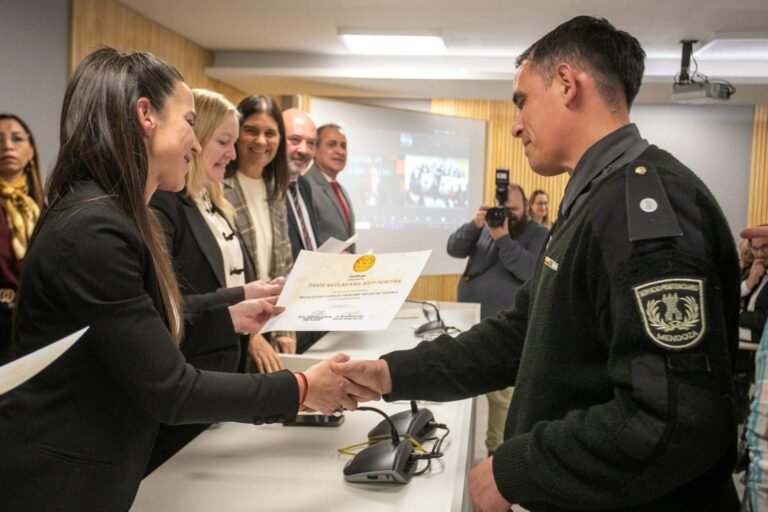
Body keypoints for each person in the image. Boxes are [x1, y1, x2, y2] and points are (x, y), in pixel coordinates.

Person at [334, 16, 740, 511]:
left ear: (567, 84)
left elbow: (674, 419)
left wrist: (517, 469)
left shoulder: (645, 208)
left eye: (522, 101)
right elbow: (522, 334)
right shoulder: (595, 198)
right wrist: (389, 374)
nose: (516, 125)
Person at [0, 48, 376, 512]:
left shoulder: (107, 213)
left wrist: (228, 317)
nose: (197, 145)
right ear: (146, 116)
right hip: (60, 481)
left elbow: (139, 330)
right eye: (189, 123)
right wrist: (301, 390)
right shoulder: (95, 230)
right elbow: (172, 390)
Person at [148, 89, 284, 472]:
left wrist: (252, 292)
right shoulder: (164, 206)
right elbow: (165, 307)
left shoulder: (213, 202)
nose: (233, 154)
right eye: (224, 142)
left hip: (223, 372)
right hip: (188, 379)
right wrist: (239, 300)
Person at [447, 182, 547, 456]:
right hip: (472, 322)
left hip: (504, 330)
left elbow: (529, 270)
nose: (506, 215)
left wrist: (503, 237)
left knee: (502, 396)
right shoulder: (486, 229)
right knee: (461, 387)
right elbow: (453, 248)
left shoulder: (537, 234)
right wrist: (474, 225)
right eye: (501, 209)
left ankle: (497, 454)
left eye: (513, 210)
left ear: (526, 207)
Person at [223, 95, 297, 359]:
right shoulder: (217, 187)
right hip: (231, 331)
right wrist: (250, 336)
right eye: (251, 131)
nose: (261, 141)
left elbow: (283, 266)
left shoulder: (275, 191)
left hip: (271, 325)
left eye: (270, 133)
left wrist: (284, 329)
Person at [0, 114, 43, 360]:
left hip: (38, 328)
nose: (7, 145)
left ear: (30, 151)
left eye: (16, 138)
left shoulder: (47, 207)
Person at [742, 225, 768, 511]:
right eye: (756, 249)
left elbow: (756, 320)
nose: (760, 254)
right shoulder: (749, 273)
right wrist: (749, 283)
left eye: (765, 248)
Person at [305, 123, 355, 252]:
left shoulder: (341, 189)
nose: (340, 151)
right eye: (332, 144)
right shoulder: (305, 186)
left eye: (343, 146)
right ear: (315, 150)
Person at [282, 107, 320, 260]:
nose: (304, 150)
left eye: (311, 143)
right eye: (295, 140)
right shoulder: (264, 187)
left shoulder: (304, 185)